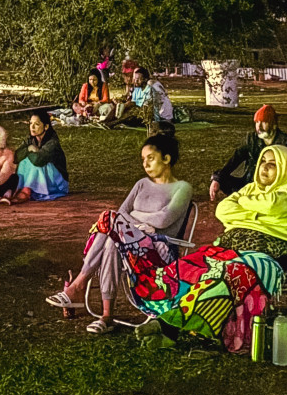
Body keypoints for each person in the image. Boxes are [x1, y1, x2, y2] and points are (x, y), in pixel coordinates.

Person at [128, 143, 287, 351]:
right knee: (188, 267)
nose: (264, 167)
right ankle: (170, 328)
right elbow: (223, 209)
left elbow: (272, 204)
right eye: (262, 162)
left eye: (272, 164)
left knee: (226, 275)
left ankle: (168, 328)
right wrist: (257, 215)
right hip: (230, 249)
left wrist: (245, 206)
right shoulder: (251, 188)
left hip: (272, 256)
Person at [46, 133, 193, 334]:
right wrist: (136, 223)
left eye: (150, 158)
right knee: (111, 242)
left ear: (166, 158)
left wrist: (134, 217)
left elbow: (163, 220)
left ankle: (78, 285)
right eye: (143, 159)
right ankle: (107, 316)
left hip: (159, 251)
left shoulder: (182, 188)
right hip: (130, 244)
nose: (145, 164)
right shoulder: (141, 184)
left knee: (108, 218)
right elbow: (123, 212)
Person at [209, 105, 287, 202]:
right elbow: (235, 159)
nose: (259, 127)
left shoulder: (286, 142)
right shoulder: (251, 139)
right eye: (257, 122)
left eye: (263, 122)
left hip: (270, 187)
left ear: (273, 124)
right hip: (248, 183)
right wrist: (217, 179)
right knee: (222, 180)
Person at [13, 110, 70, 201]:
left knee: (34, 162)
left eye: (37, 124)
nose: (32, 127)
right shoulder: (31, 140)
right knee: (23, 161)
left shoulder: (52, 142)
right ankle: (20, 189)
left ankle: (26, 191)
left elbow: (38, 161)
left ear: (46, 126)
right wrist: (29, 149)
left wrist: (29, 153)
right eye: (31, 123)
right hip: (43, 179)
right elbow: (15, 157)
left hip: (57, 183)